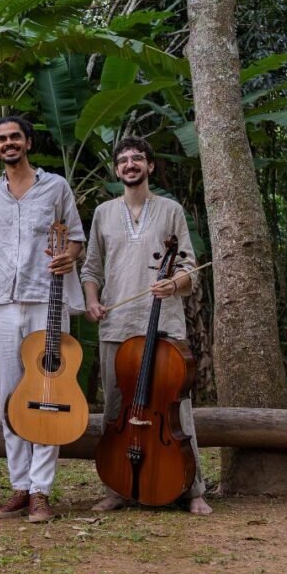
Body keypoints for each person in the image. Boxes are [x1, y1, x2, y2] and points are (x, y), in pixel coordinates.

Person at [81, 136, 213, 515]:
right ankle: (117, 487)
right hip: (117, 325)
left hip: (164, 324)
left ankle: (194, 489)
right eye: (123, 160)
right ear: (116, 169)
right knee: (115, 409)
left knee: (177, 408)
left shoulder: (170, 210)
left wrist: (174, 282)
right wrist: (92, 299)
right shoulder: (104, 213)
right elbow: (90, 268)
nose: (130, 165)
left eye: (137, 158)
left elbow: (189, 269)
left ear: (150, 166)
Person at [0, 115, 85, 523]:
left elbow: (76, 239)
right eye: (1, 139)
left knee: (48, 393)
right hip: (0, 301)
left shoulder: (56, 187)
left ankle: (42, 490)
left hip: (45, 301)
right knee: (8, 397)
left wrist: (68, 256)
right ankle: (19, 485)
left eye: (15, 136)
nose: (8, 143)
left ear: (28, 142)